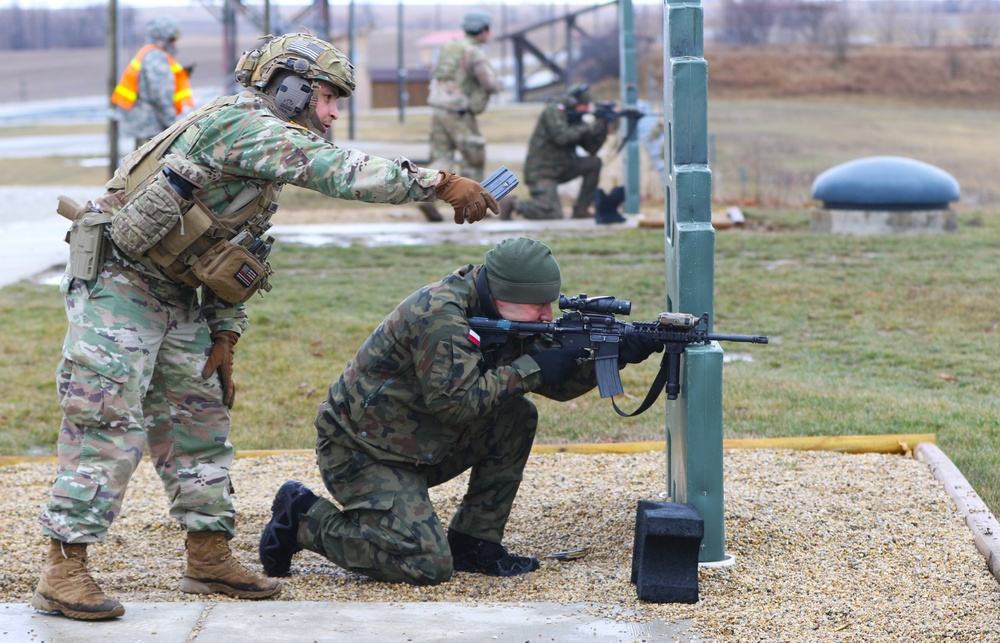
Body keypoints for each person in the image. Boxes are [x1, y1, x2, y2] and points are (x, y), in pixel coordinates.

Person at [31, 33, 498, 621]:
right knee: (106, 420)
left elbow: (234, 250)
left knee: (199, 420)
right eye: (328, 98)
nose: (331, 114)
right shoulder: (243, 126)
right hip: (119, 285)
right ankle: (63, 569)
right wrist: (437, 182)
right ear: (291, 87)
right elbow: (336, 170)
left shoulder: (262, 157)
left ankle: (208, 556)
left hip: (175, 293)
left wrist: (225, 328)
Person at [258, 237, 663, 585]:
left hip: (417, 441)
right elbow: (455, 404)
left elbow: (553, 384)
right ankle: (304, 518)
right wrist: (532, 368)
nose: (547, 315)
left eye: (549, 303)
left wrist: (614, 356)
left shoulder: (503, 312)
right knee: (426, 564)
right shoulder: (442, 317)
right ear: (504, 293)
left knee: (516, 416)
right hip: (360, 454)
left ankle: (474, 541)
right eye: (538, 305)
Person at [419, 10, 504, 222]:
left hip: (438, 106)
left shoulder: (450, 47)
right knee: (473, 155)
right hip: (458, 110)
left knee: (440, 158)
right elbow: (488, 81)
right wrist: (497, 86)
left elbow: (436, 73)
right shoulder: (474, 51)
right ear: (483, 31)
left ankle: (425, 198)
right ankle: (474, 205)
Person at [500, 84, 623, 224]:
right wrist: (584, 128)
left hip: (563, 167)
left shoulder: (576, 120)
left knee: (594, 163)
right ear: (574, 102)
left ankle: (581, 209)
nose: (586, 110)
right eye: (583, 106)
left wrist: (601, 125)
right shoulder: (553, 111)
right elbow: (562, 137)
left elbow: (592, 148)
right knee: (552, 213)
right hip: (542, 172)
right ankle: (514, 204)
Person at [112, 15, 195, 148]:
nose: (175, 43)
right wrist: (174, 125)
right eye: (172, 39)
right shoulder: (156, 57)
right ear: (164, 38)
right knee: (153, 166)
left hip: (147, 126)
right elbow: (161, 95)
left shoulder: (149, 54)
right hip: (152, 128)